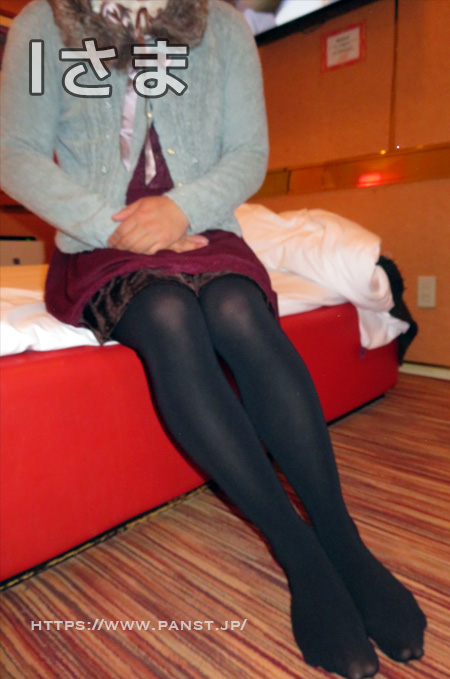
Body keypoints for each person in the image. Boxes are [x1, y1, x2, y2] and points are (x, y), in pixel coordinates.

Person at [0, 1, 427, 677]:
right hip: (99, 241)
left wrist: (179, 210)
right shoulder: (41, 25)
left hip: (205, 231)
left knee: (236, 308)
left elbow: (247, 152)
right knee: (167, 313)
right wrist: (115, 225)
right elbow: (16, 154)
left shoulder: (223, 25)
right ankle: (303, 556)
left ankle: (343, 540)